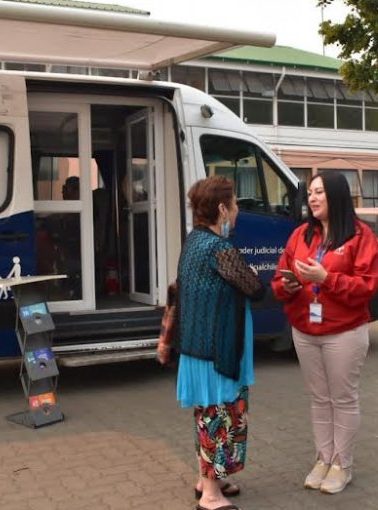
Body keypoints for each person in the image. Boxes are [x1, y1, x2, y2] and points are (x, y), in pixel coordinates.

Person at [271, 172, 378, 495]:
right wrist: (288, 284)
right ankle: (323, 458)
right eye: (311, 194)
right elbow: (279, 279)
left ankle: (342, 464)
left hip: (344, 332)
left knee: (342, 398)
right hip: (304, 330)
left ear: (336, 195)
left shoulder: (361, 236)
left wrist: (326, 277)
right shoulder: (300, 236)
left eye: (319, 192)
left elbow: (367, 287)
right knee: (319, 399)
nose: (312, 199)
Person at [174, 175, 265, 510]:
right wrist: (252, 275)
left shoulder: (194, 240)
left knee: (206, 413)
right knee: (219, 414)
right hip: (217, 350)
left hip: (197, 347)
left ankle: (207, 478)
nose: (238, 210)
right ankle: (211, 496)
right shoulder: (220, 248)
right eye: (236, 204)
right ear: (223, 209)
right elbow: (256, 289)